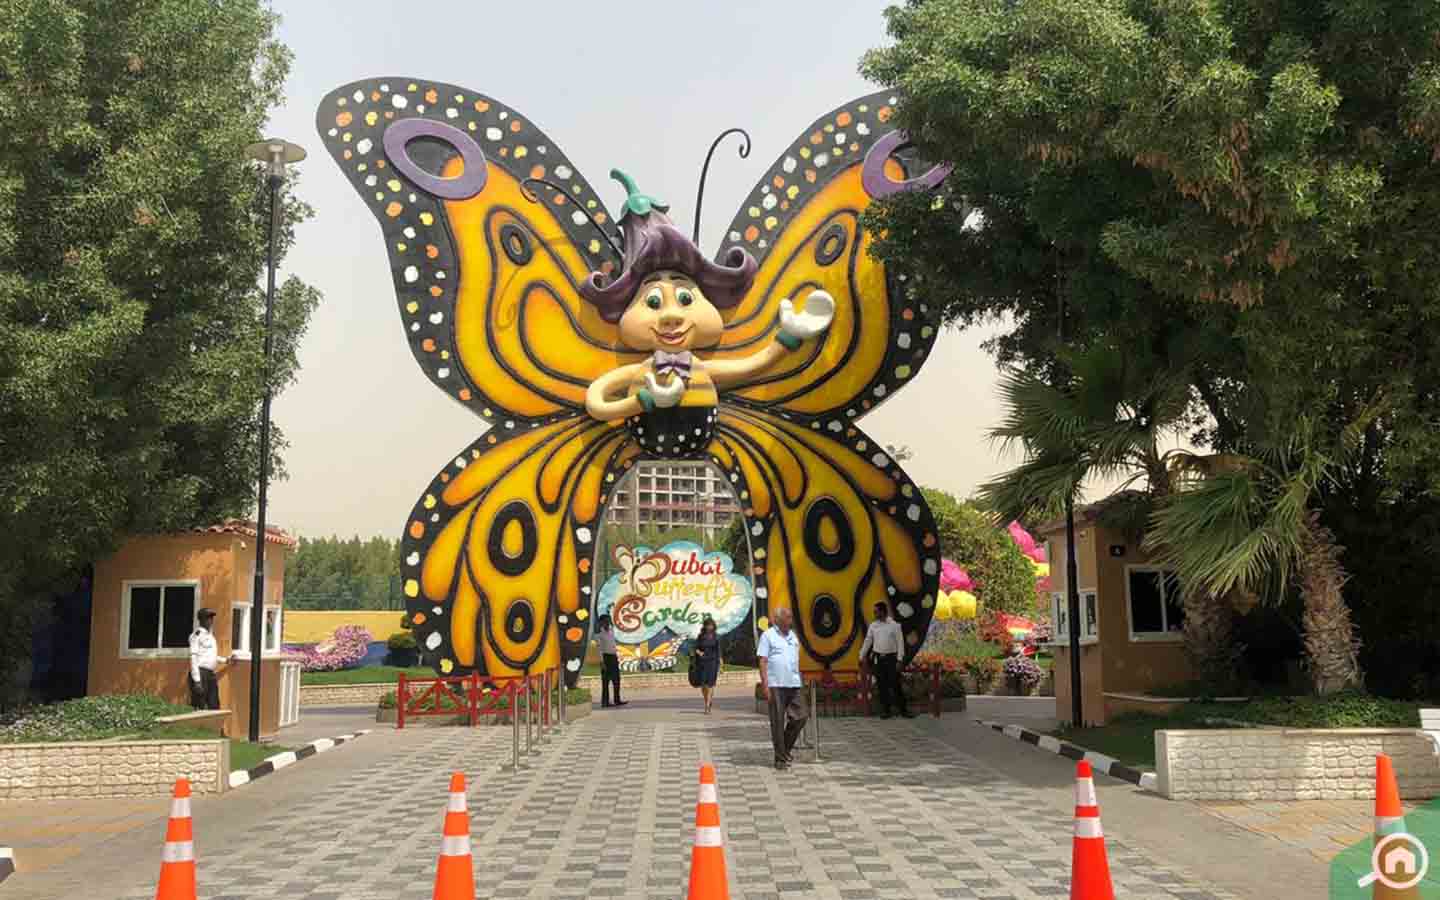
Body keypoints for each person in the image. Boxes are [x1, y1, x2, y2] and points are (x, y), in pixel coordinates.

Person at [756, 607, 807, 770]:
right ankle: (780, 758)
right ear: (778, 619)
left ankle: (784, 750)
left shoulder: (793, 636)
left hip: (793, 682)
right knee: (777, 722)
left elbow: (795, 660)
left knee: (801, 716)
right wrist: (765, 685)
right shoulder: (768, 635)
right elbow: (762, 660)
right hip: (776, 684)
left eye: (791, 617)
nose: (790, 620)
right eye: (787, 617)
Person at [860, 601, 913, 719]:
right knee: (881, 685)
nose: (874, 614)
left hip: (891, 659)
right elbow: (868, 641)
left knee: (895, 685)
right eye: (874, 612)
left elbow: (900, 643)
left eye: (876, 611)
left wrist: (899, 660)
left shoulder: (894, 625)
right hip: (878, 659)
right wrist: (861, 655)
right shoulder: (873, 626)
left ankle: (904, 710)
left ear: (883, 612)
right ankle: (886, 711)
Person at [188, 608, 225, 711]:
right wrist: (197, 681)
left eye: (211, 618)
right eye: (208, 617)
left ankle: (214, 727)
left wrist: (226, 660)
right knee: (200, 706)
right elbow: (193, 657)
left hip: (210, 674)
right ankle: (199, 727)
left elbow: (210, 656)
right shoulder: (196, 635)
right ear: (201, 620)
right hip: (200, 674)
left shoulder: (210, 636)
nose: (211, 620)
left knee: (214, 705)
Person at [594, 614, 626, 708]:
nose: (608, 622)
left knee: (617, 680)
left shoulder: (611, 630)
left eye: (609, 620)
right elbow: (599, 649)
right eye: (606, 621)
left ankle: (617, 700)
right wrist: (602, 662)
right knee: (605, 681)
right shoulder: (599, 634)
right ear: (602, 622)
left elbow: (612, 644)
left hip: (613, 657)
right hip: (605, 658)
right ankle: (605, 702)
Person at [692, 616, 721, 714]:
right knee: (703, 685)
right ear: (705, 626)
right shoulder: (701, 636)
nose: (709, 627)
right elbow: (696, 648)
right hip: (702, 663)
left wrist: (720, 662)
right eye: (708, 625)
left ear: (713, 626)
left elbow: (718, 651)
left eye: (711, 625)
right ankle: (707, 701)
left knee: (710, 684)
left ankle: (707, 706)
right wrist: (699, 653)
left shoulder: (716, 637)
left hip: (713, 662)